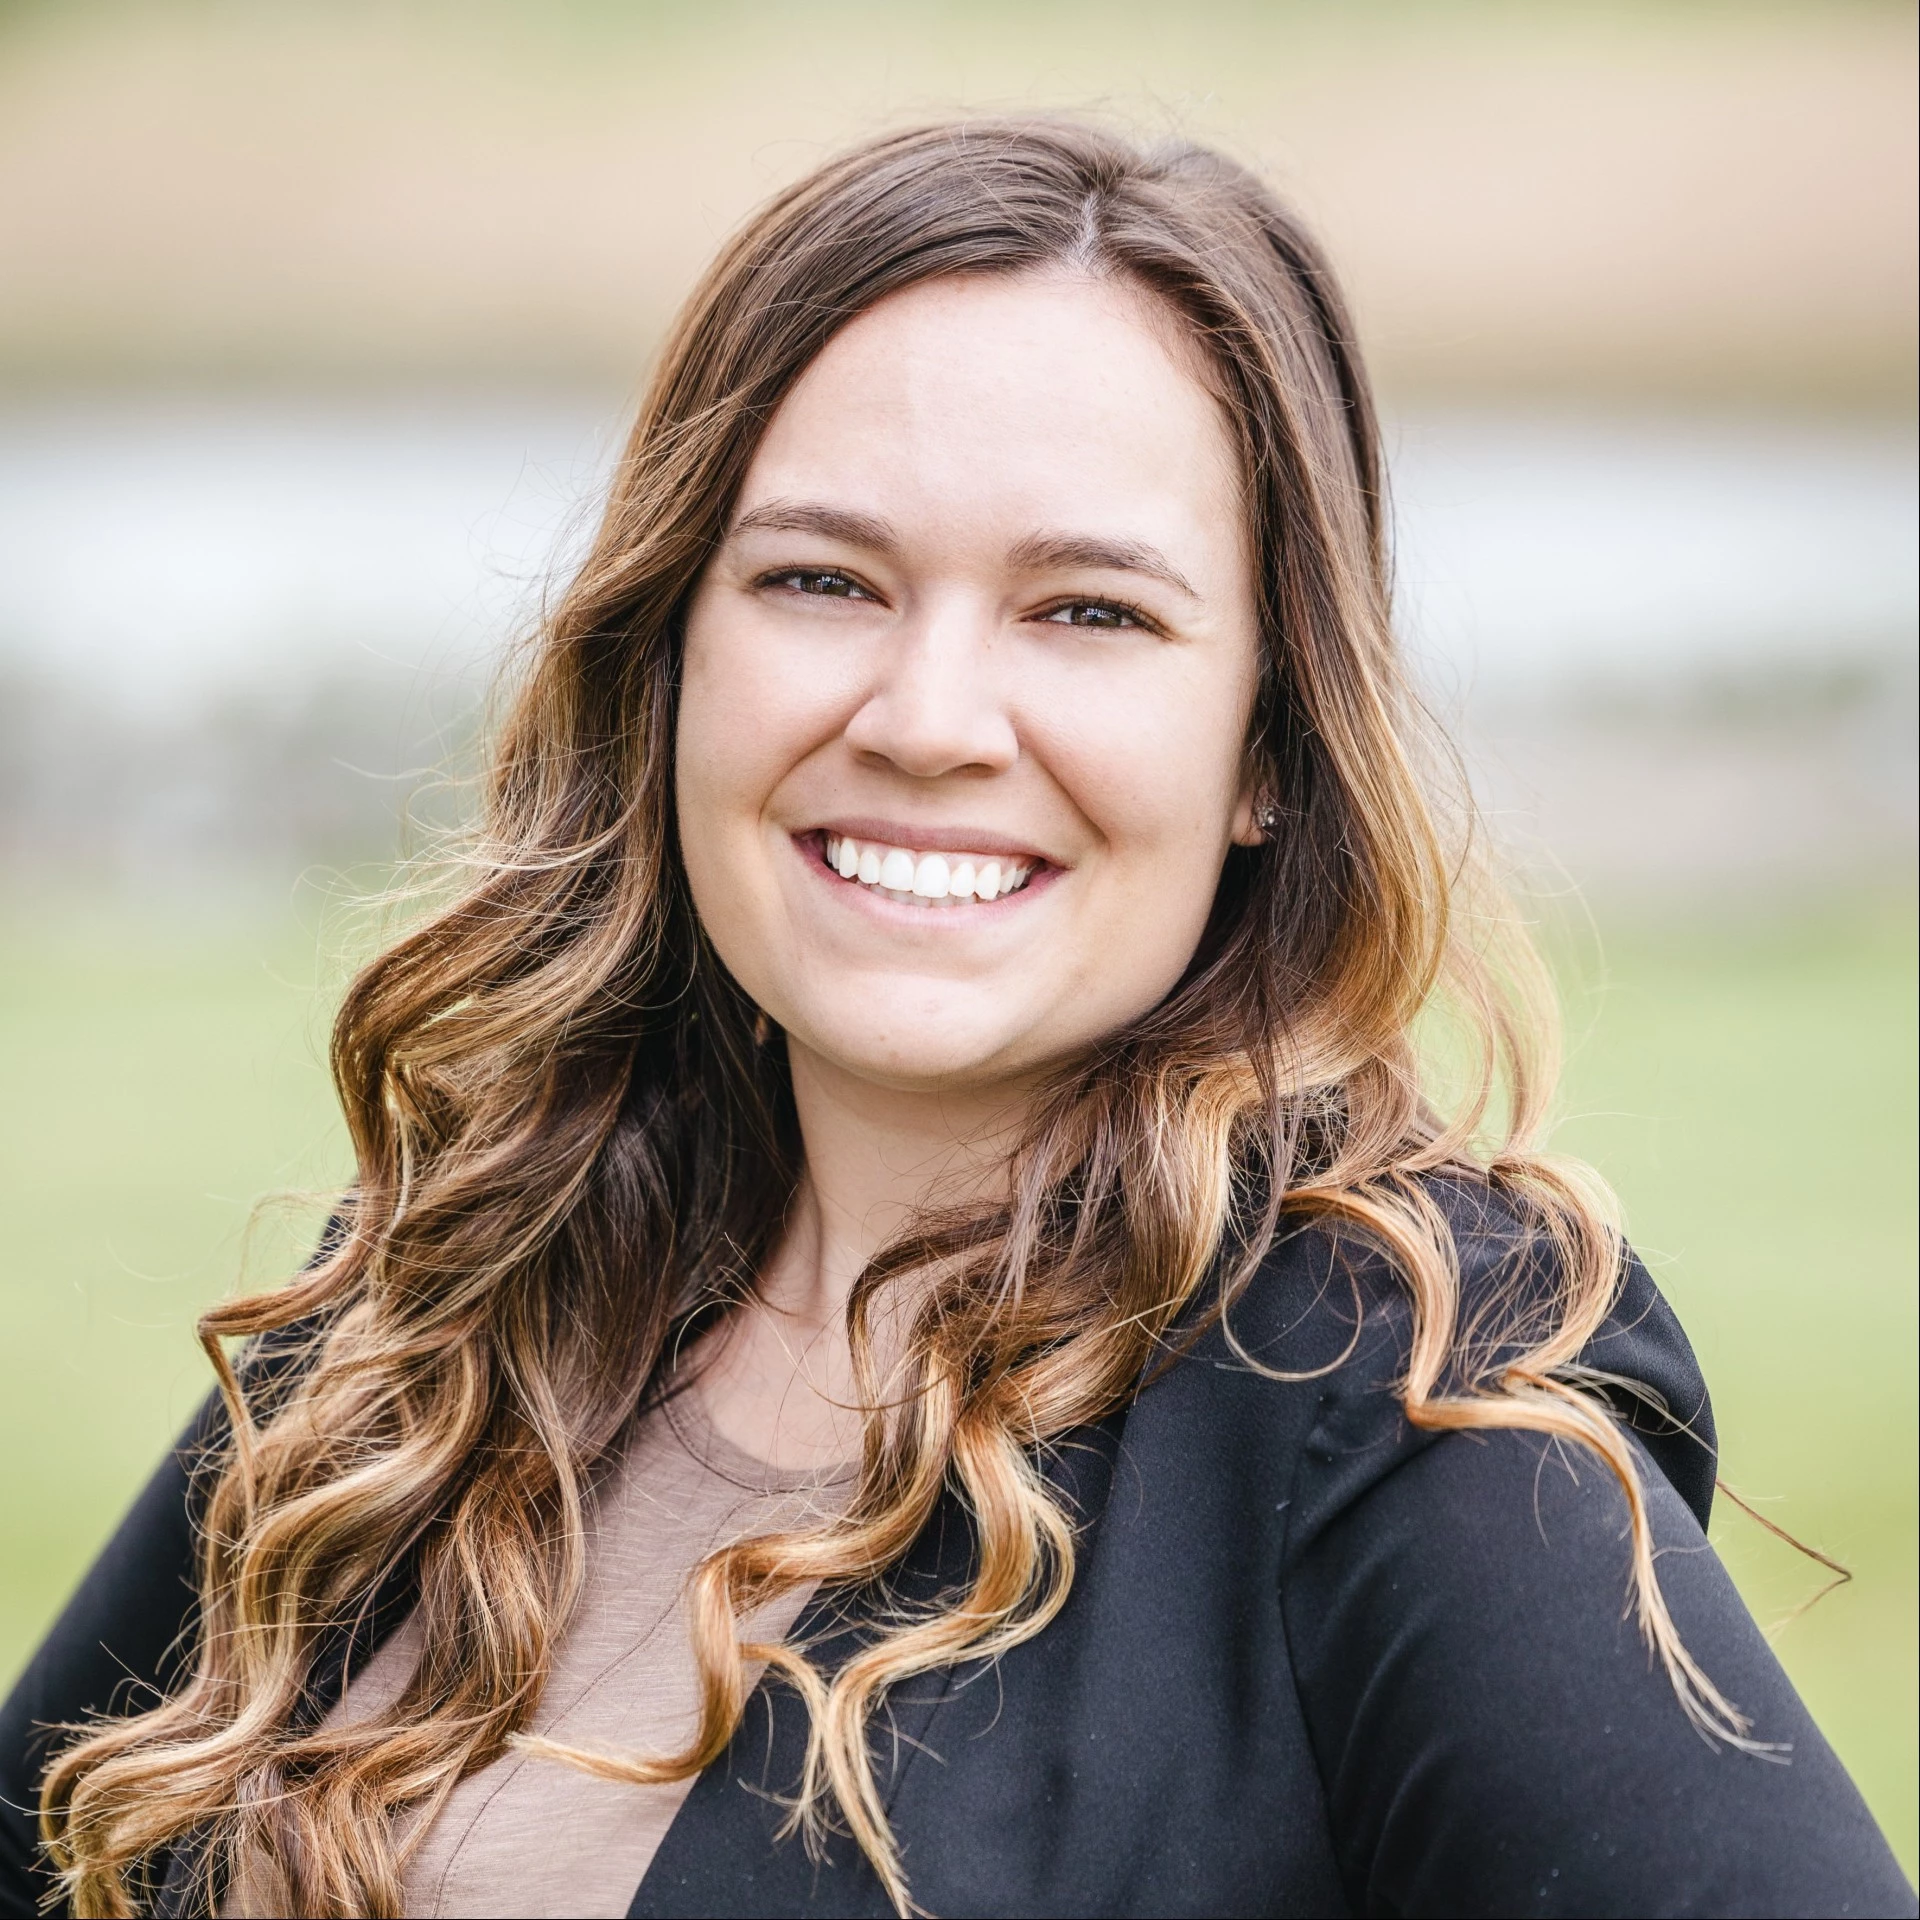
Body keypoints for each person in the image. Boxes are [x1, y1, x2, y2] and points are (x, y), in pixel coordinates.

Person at [2, 118, 1911, 1920]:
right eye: (821, 580)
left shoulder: (1397, 1406)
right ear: (671, 653)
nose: (926, 716)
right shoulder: (452, 1295)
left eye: (1087, 613)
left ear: (1267, 745)